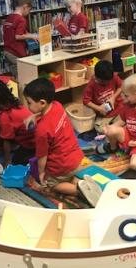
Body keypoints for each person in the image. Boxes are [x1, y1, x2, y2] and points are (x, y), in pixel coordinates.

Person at [23, 78, 101, 207]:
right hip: (78, 157)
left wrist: (42, 173)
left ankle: (79, 190)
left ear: (42, 103)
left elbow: (42, 156)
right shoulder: (57, 105)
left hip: (61, 166)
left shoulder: (42, 130)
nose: (27, 106)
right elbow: (48, 117)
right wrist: (34, 116)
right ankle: (78, 178)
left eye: (29, 102)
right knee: (76, 173)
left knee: (53, 185)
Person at [96, 74, 136, 170]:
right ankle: (113, 148)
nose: (123, 98)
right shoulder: (128, 103)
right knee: (111, 130)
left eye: (126, 95)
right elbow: (122, 120)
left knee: (134, 165)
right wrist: (110, 128)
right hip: (128, 136)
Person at [0, 79, 35, 167]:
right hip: (34, 138)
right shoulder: (16, 103)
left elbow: (7, 141)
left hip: (31, 145)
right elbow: (10, 123)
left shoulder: (5, 116)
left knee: (17, 160)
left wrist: (7, 161)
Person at [3, 0, 38, 78]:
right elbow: (18, 36)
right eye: (29, 10)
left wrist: (29, 34)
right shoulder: (21, 19)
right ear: (25, 7)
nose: (28, 12)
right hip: (16, 53)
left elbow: (19, 32)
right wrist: (32, 36)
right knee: (22, 78)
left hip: (7, 51)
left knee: (15, 76)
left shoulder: (10, 17)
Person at [83, 60, 122, 133]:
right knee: (99, 129)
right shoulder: (91, 85)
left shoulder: (113, 76)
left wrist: (113, 98)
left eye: (109, 81)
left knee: (128, 118)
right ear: (97, 77)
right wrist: (99, 108)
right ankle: (114, 127)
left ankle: (113, 127)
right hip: (105, 114)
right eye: (104, 82)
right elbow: (86, 101)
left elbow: (121, 86)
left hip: (118, 109)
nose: (107, 83)